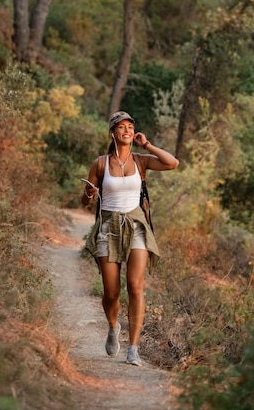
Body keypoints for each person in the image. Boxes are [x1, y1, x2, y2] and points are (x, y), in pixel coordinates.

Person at [81, 111, 179, 366]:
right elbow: (85, 201)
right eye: (121, 127)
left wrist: (146, 145)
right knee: (111, 293)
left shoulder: (141, 160)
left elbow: (172, 163)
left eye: (130, 126)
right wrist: (89, 194)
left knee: (135, 287)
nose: (126, 130)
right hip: (108, 225)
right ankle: (113, 328)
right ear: (112, 133)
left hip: (136, 224)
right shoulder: (100, 164)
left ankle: (133, 348)